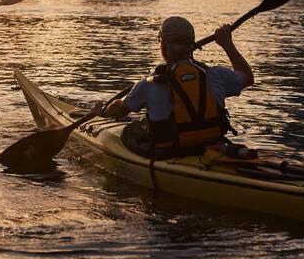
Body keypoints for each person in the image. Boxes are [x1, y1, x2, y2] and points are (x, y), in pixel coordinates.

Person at [92, 16, 253, 159]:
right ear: (192, 45)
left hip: (170, 153)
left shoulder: (149, 84)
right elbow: (247, 77)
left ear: (162, 44)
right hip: (212, 148)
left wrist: (102, 111)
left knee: (133, 131)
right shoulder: (216, 75)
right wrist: (227, 44)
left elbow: (119, 110)